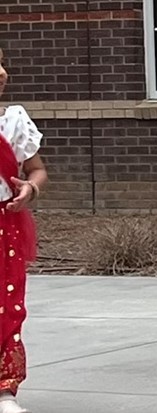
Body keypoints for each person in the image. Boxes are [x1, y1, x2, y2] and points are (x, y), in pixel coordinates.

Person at [0, 48, 45, 413]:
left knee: (7, 305)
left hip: (5, 224)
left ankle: (5, 389)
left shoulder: (13, 122)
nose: (1, 73)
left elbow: (36, 169)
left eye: (1, 63)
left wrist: (31, 187)